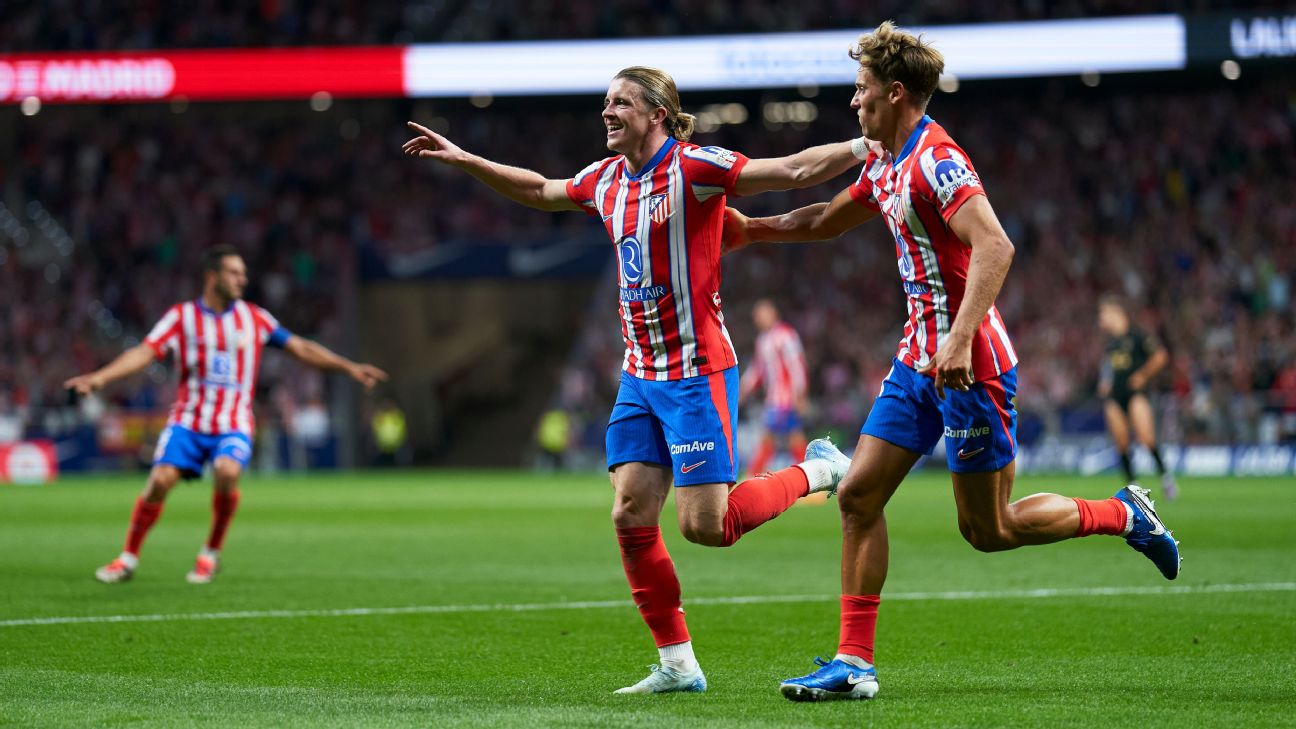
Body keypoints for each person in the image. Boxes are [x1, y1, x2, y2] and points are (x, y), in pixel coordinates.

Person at [722, 22, 1181, 702]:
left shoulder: (939, 159)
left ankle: (1124, 513)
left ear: (896, 91)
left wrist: (960, 339)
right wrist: (754, 230)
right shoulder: (884, 159)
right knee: (857, 495)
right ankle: (854, 662)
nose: (854, 103)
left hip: (972, 363)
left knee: (987, 530)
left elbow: (996, 247)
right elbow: (826, 218)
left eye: (862, 90)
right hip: (918, 358)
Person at [403, 65, 867, 695]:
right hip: (639, 375)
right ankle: (678, 664)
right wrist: (465, 160)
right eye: (604, 102)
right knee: (628, 512)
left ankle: (820, 471)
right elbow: (540, 189)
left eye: (620, 102)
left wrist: (865, 147)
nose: (607, 111)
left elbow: (789, 171)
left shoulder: (696, 168)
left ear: (656, 113)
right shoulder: (604, 179)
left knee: (708, 527)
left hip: (697, 372)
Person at [66, 245, 387, 585]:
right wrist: (99, 378)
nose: (242, 280)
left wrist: (347, 367)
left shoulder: (255, 318)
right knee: (159, 482)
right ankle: (128, 558)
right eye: (234, 273)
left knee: (226, 470)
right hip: (188, 422)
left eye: (243, 274)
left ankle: (209, 554)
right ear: (212, 276)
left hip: (233, 422)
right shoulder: (182, 317)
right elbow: (145, 352)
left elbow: (301, 347)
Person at [1097, 296, 1178, 499]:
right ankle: (1133, 487)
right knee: (1121, 442)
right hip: (1115, 396)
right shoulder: (1111, 344)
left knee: (1146, 438)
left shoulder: (1137, 336)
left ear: (1116, 313)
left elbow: (1160, 356)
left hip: (1135, 394)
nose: (1101, 320)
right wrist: (1105, 382)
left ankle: (1166, 478)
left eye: (1103, 315)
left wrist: (1142, 375)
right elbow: (1109, 368)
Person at [739, 299, 810, 476]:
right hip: (773, 398)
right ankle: (809, 476)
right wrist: (744, 388)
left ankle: (752, 475)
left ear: (773, 313)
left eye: (763, 314)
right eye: (757, 316)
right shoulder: (763, 340)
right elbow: (758, 369)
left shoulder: (786, 335)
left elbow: (797, 364)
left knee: (776, 437)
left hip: (785, 398)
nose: (759, 319)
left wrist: (800, 393)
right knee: (791, 436)